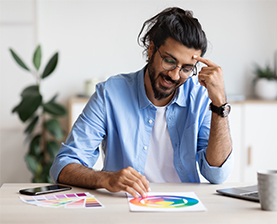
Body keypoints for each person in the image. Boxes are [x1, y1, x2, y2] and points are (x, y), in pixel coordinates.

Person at [50, 7, 233, 198]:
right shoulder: (110, 94)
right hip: (125, 206)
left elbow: (217, 173)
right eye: (169, 61)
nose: (174, 74)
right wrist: (106, 179)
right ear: (151, 49)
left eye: (187, 68)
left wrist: (220, 103)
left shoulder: (200, 98)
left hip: (185, 206)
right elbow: (63, 166)